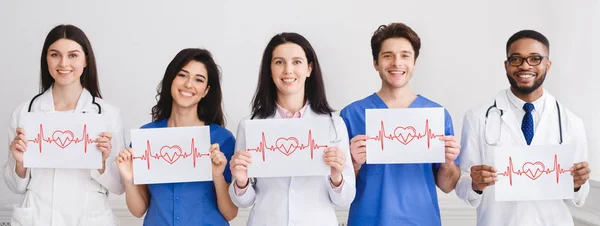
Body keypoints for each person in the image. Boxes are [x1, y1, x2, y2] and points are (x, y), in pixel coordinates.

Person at [455, 29, 591, 226]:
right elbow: (463, 188)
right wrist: (475, 184)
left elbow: (579, 198)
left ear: (548, 64)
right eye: (516, 59)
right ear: (506, 65)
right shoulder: (477, 117)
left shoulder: (571, 122)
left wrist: (578, 184)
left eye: (535, 58)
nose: (525, 65)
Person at [228, 32, 356, 226]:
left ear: (309, 68)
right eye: (279, 62)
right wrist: (241, 182)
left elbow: (344, 200)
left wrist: (337, 176)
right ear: (270, 70)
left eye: (297, 62)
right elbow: (243, 201)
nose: (288, 70)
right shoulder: (251, 125)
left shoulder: (333, 124)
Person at [339, 22, 461, 226]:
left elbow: (447, 186)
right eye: (387, 55)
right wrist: (354, 164)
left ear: (414, 62)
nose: (397, 63)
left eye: (405, 55)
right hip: (368, 220)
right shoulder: (352, 115)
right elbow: (339, 188)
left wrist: (448, 162)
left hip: (422, 220)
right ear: (376, 63)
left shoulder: (437, 116)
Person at [3, 24, 125, 226]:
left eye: (73, 55)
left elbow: (119, 186)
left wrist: (102, 162)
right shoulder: (25, 113)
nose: (63, 63)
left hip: (88, 218)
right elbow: (15, 186)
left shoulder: (108, 115)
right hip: (38, 217)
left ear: (86, 60)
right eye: (55, 54)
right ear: (46, 59)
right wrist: (20, 162)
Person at [115, 48, 238, 226]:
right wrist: (129, 179)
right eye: (182, 75)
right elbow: (138, 210)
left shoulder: (222, 139)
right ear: (171, 79)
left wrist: (217, 176)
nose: (189, 84)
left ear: (206, 91)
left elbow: (230, 213)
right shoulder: (146, 137)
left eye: (199, 80)